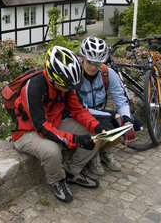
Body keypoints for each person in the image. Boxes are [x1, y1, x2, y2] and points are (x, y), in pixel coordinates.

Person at [11, 45, 106, 203]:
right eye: (66, 86)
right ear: (53, 77)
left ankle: (72, 172)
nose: (68, 90)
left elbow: (78, 110)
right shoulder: (34, 88)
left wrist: (96, 126)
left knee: (95, 134)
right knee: (52, 150)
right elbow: (41, 127)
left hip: (53, 124)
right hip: (27, 132)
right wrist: (75, 139)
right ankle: (57, 180)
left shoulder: (65, 85)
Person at [77, 36, 144, 176]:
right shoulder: (76, 75)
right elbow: (79, 108)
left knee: (136, 124)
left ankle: (104, 152)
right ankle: (92, 156)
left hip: (100, 112)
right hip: (82, 114)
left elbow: (121, 99)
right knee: (107, 129)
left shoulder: (107, 73)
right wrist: (113, 115)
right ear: (82, 57)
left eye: (98, 63)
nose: (93, 67)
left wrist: (127, 119)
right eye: (90, 62)